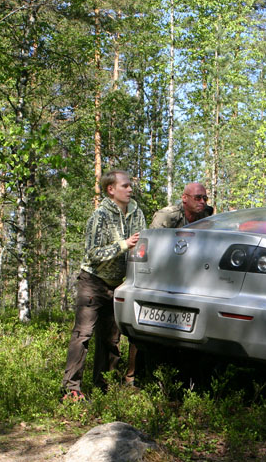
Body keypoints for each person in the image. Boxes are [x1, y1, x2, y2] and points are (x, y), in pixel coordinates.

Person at [61, 170, 146, 400]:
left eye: (130, 186)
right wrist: (124, 244)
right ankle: (71, 389)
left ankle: (104, 386)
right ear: (111, 189)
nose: (130, 189)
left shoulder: (136, 213)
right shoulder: (100, 216)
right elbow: (93, 253)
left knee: (111, 339)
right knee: (83, 335)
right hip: (93, 281)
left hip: (118, 285)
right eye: (125, 186)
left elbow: (143, 244)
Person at [125, 182, 212, 384]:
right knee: (142, 326)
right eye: (197, 198)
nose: (202, 202)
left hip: (189, 279)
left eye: (204, 198)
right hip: (159, 274)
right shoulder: (168, 215)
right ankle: (132, 376)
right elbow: (153, 245)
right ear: (184, 198)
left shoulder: (206, 216)